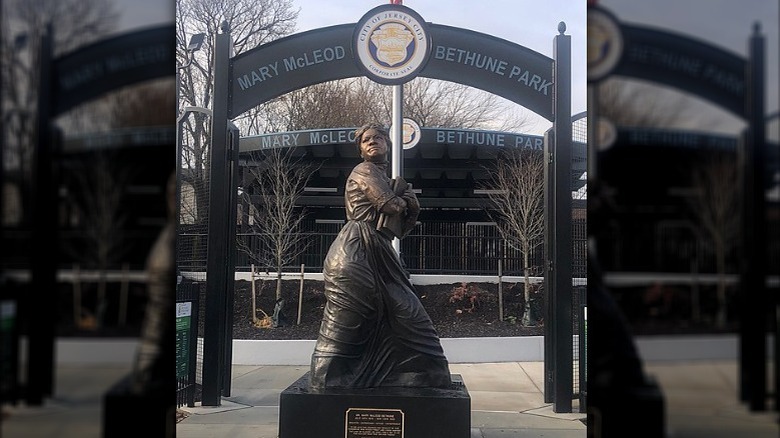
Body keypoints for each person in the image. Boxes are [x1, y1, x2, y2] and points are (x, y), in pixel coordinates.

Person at [309, 124, 451, 391]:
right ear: (361, 149)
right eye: (366, 140)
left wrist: (410, 204)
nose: (372, 142)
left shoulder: (385, 177)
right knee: (352, 314)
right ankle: (328, 377)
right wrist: (405, 199)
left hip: (380, 250)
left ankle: (421, 371)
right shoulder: (364, 171)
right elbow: (390, 205)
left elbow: (399, 229)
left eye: (377, 138)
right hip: (354, 250)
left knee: (409, 311)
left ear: (387, 142)